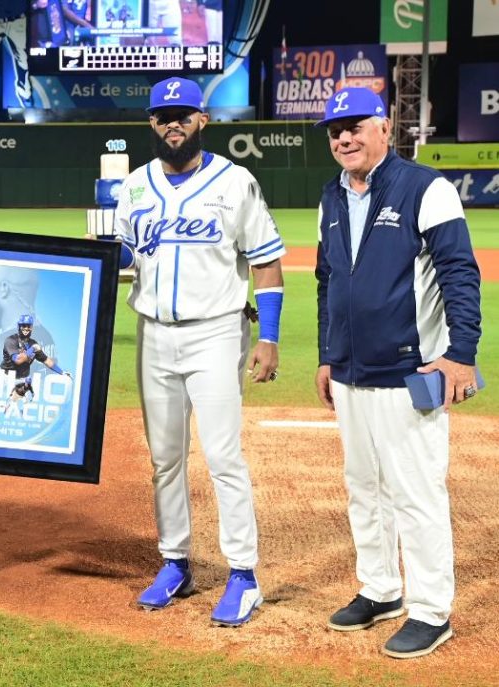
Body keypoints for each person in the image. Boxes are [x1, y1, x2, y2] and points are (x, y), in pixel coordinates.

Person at [314, 87, 481, 659]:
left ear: (384, 127)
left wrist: (462, 352)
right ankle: (381, 588)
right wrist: (326, 353)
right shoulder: (330, 199)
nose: (344, 137)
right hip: (352, 373)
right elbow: (327, 281)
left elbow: (460, 272)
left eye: (356, 125)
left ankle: (432, 612)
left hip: (411, 372)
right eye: (335, 130)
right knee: (364, 488)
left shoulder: (424, 188)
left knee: (416, 493)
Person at [113, 77, 284, 626]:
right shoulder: (135, 186)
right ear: (151, 123)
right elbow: (128, 257)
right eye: (163, 115)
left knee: (222, 456)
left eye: (183, 114)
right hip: (154, 334)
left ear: (202, 120)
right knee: (164, 458)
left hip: (215, 332)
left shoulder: (236, 183)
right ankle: (176, 561)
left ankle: (243, 574)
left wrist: (270, 335)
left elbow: (267, 265)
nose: (173, 123)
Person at [0, 314, 72, 415]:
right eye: (23, 325)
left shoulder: (33, 343)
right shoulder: (11, 340)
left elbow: (47, 361)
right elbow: (18, 360)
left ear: (32, 327)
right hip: (6, 378)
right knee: (4, 409)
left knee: (26, 402)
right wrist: (32, 349)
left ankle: (19, 414)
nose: (26, 328)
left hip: (21, 379)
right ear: (18, 326)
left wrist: (62, 372)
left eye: (28, 326)